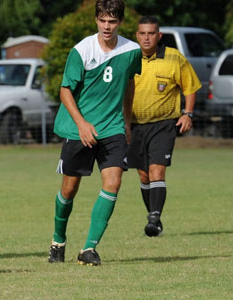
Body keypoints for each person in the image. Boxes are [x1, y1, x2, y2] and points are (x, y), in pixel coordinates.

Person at [47, 0, 141, 266]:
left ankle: (88, 248)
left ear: (120, 22)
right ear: (96, 20)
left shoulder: (131, 51)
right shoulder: (82, 50)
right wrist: (81, 124)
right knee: (69, 188)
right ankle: (58, 240)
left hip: (112, 128)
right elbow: (65, 90)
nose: (107, 26)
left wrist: (127, 120)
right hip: (81, 129)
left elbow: (129, 83)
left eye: (112, 21)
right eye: (102, 20)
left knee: (113, 183)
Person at [128, 16, 201, 237]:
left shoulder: (174, 58)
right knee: (143, 175)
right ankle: (153, 216)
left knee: (156, 170)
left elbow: (190, 87)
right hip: (134, 125)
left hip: (164, 124)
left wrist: (187, 114)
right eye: (142, 33)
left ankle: (154, 218)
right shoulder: (128, 57)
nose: (146, 38)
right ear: (137, 35)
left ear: (159, 36)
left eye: (151, 33)